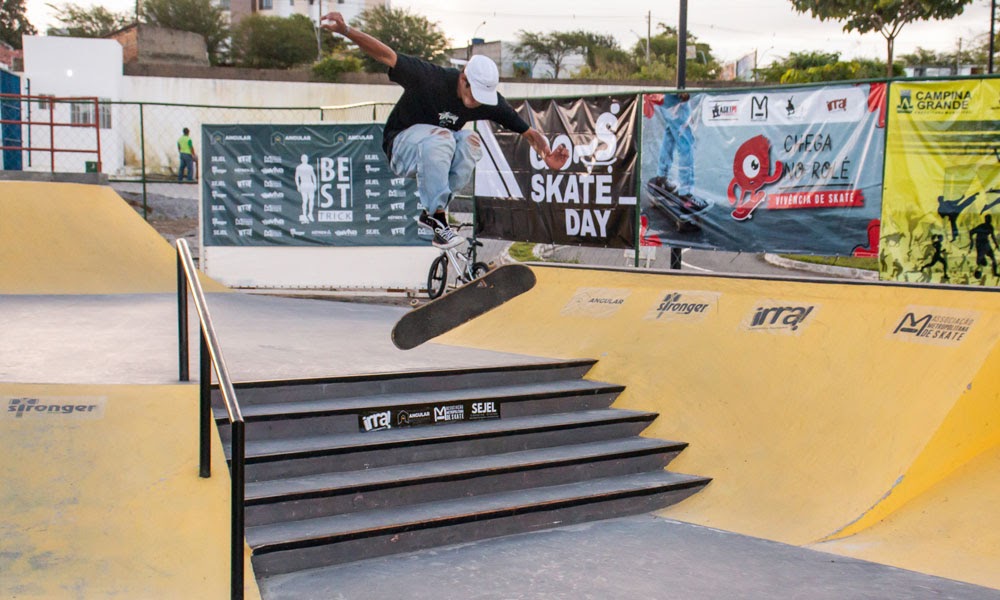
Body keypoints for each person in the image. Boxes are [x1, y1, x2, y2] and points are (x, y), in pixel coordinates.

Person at [320, 12, 568, 248]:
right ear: (463, 78)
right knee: (444, 137)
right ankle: (438, 217)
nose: (476, 103)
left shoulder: (489, 102)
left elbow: (529, 133)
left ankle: (432, 214)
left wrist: (545, 153)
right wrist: (346, 31)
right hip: (400, 148)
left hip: (434, 152)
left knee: (471, 140)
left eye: (483, 99)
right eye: (473, 94)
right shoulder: (430, 78)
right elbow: (386, 55)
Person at [295, 154, 317, 224]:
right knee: (305, 200)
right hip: (304, 184)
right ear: (302, 159)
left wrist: (315, 184)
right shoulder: (299, 167)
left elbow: (313, 176)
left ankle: (310, 214)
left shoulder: (309, 167)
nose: (305, 160)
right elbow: (296, 177)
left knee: (311, 199)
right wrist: (298, 185)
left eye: (306, 158)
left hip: (309, 184)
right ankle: (305, 214)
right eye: (304, 158)